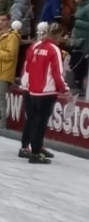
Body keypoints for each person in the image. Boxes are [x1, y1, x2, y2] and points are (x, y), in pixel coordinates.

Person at [19, 23, 69, 164]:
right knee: (40, 122)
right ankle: (35, 152)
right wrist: (65, 89)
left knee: (32, 119)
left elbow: (27, 67)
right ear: (58, 35)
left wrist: (26, 85)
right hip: (46, 91)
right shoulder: (54, 49)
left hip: (30, 88)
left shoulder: (35, 46)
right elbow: (57, 74)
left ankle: (28, 147)